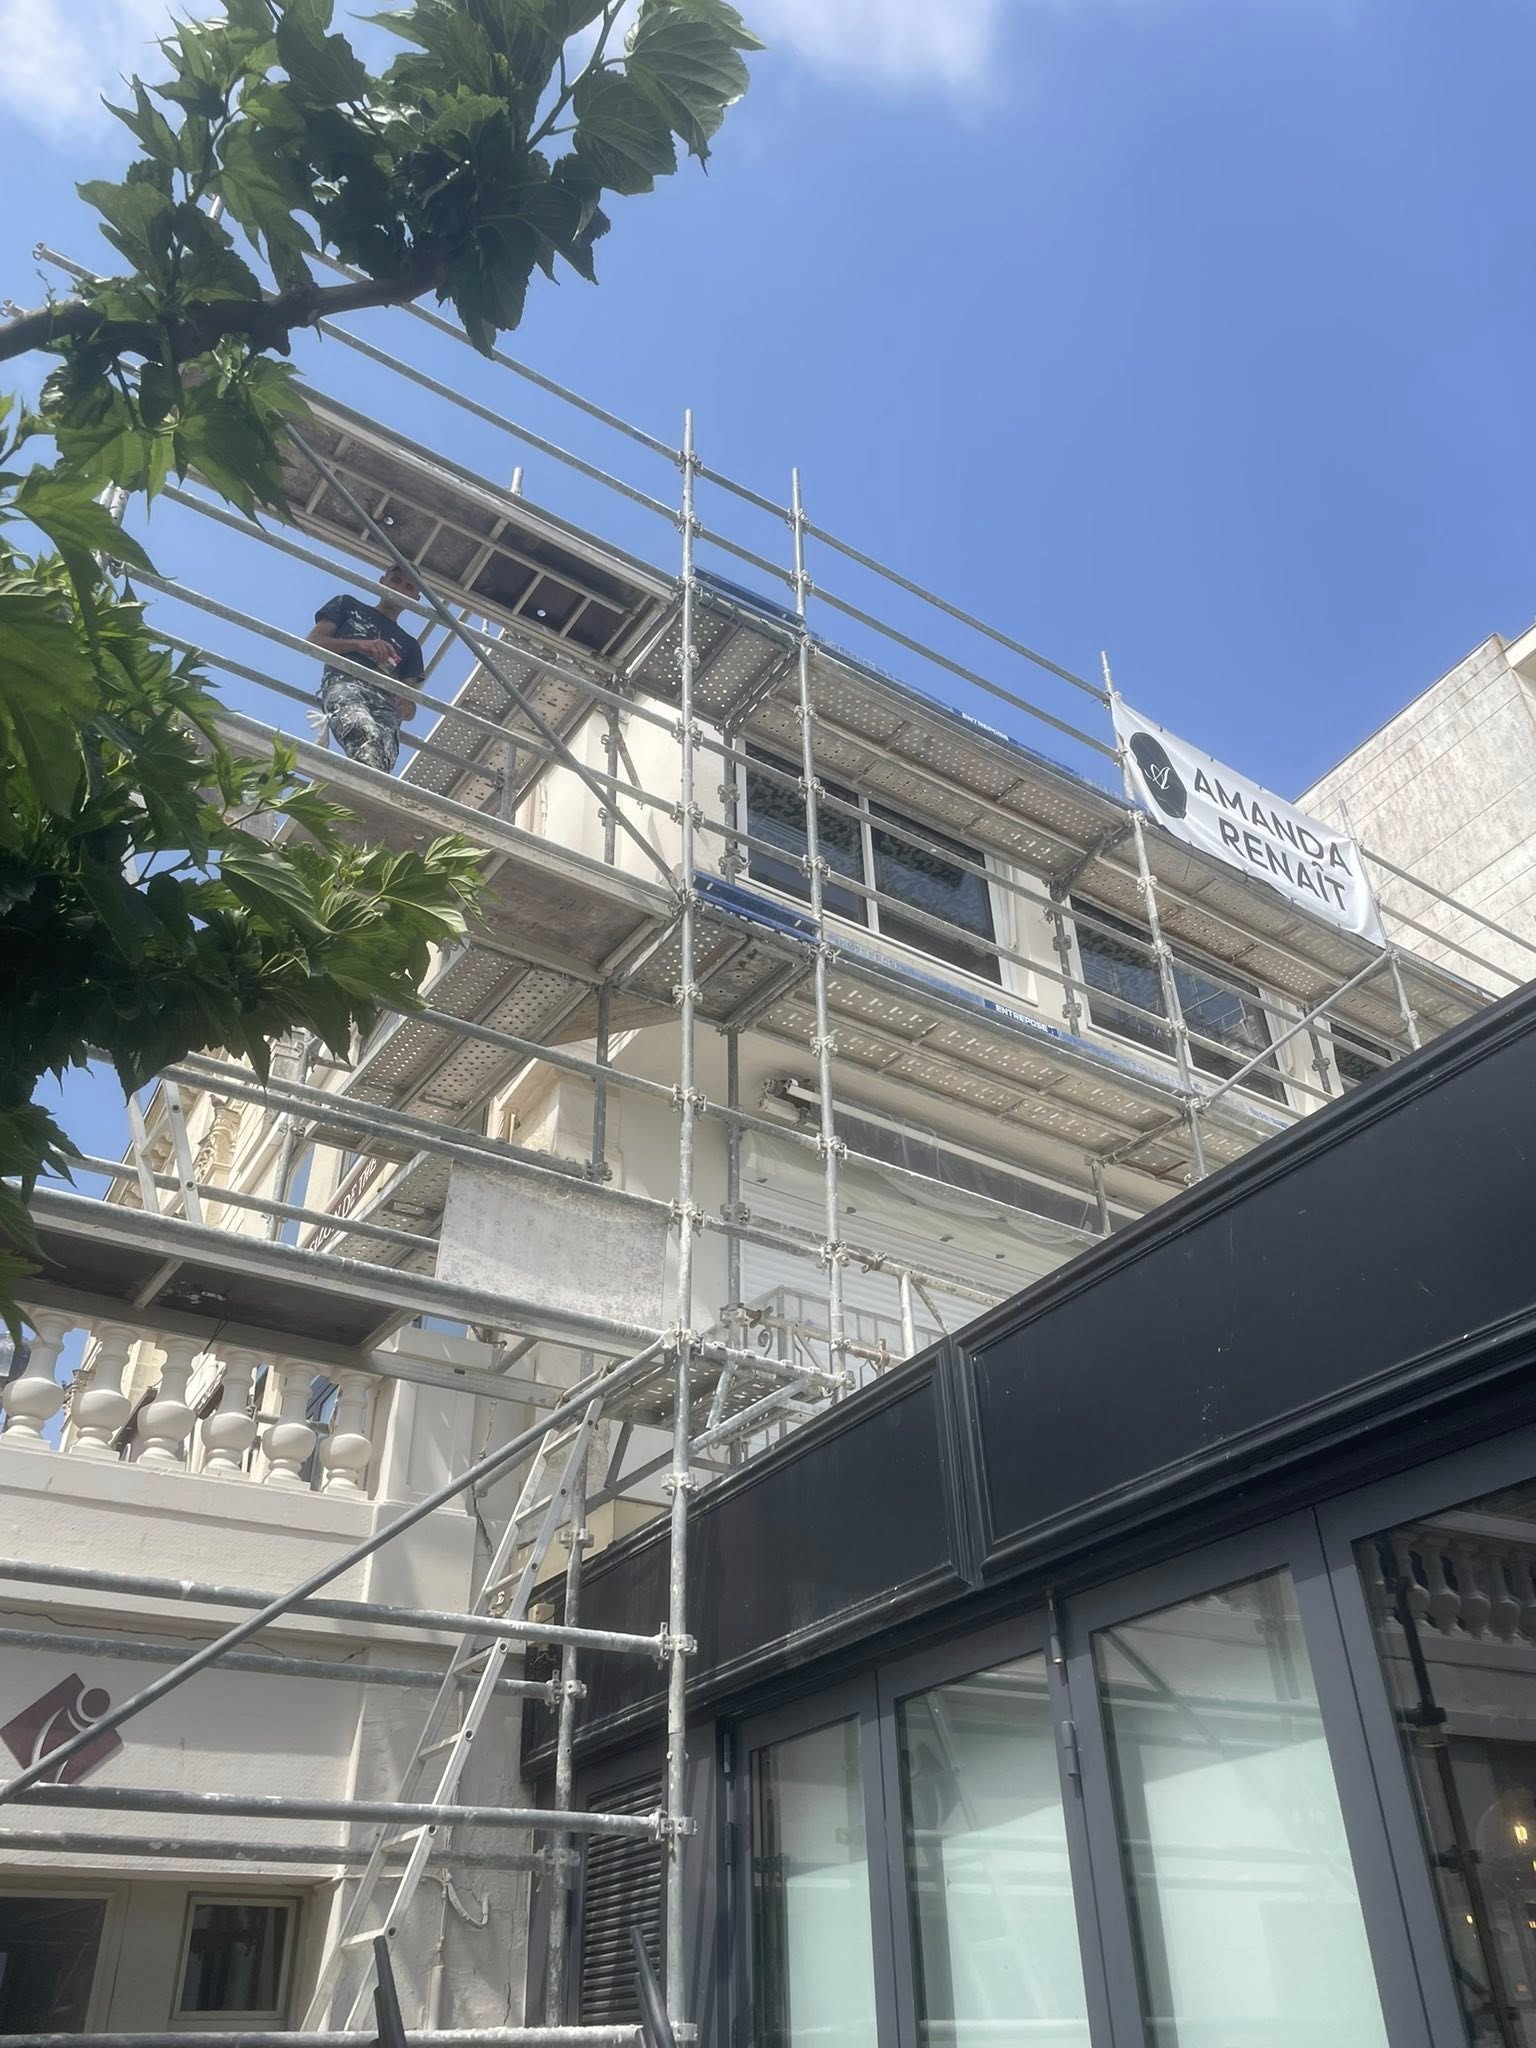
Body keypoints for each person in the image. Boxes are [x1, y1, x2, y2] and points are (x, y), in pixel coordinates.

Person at [307, 564, 424, 773]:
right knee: (363, 733)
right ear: (382, 581)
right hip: (345, 684)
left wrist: (404, 700)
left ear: (415, 598)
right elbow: (314, 642)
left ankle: (361, 788)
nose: (399, 589)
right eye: (395, 580)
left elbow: (409, 708)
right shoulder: (347, 605)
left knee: (383, 757)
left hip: (385, 704)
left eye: (409, 587)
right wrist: (361, 645)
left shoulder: (411, 645)